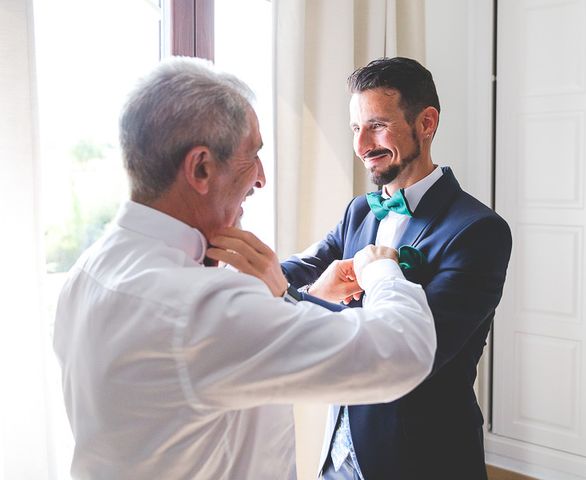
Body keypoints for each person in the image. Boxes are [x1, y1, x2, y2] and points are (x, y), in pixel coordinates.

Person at [53, 56, 438, 480]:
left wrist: (303, 298)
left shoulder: (89, 269)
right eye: (251, 155)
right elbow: (404, 352)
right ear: (201, 168)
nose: (261, 178)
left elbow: (224, 351)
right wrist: (381, 270)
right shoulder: (200, 306)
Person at [281, 57, 513, 480]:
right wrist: (251, 276)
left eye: (377, 125)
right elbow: (305, 266)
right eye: (355, 128)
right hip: (338, 452)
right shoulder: (357, 212)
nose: (362, 145)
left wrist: (308, 302)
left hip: (420, 458)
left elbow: (416, 352)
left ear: (426, 123)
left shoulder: (479, 231)